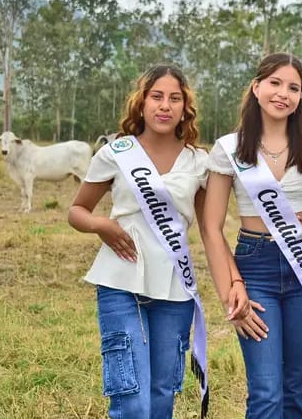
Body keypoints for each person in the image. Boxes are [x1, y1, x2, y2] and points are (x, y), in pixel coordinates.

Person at [203, 52, 302, 419]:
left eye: (293, 88)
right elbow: (211, 228)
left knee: (294, 392)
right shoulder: (229, 148)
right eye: (275, 83)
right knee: (266, 394)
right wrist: (231, 286)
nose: (283, 94)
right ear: (256, 87)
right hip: (254, 269)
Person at [68, 64, 210, 418]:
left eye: (174, 98)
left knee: (161, 397)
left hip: (175, 290)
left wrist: (234, 283)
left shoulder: (199, 162)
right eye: (156, 96)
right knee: (131, 399)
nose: (165, 106)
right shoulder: (117, 152)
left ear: (184, 107)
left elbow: (211, 230)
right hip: (120, 282)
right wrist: (101, 225)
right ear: (142, 103)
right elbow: (77, 211)